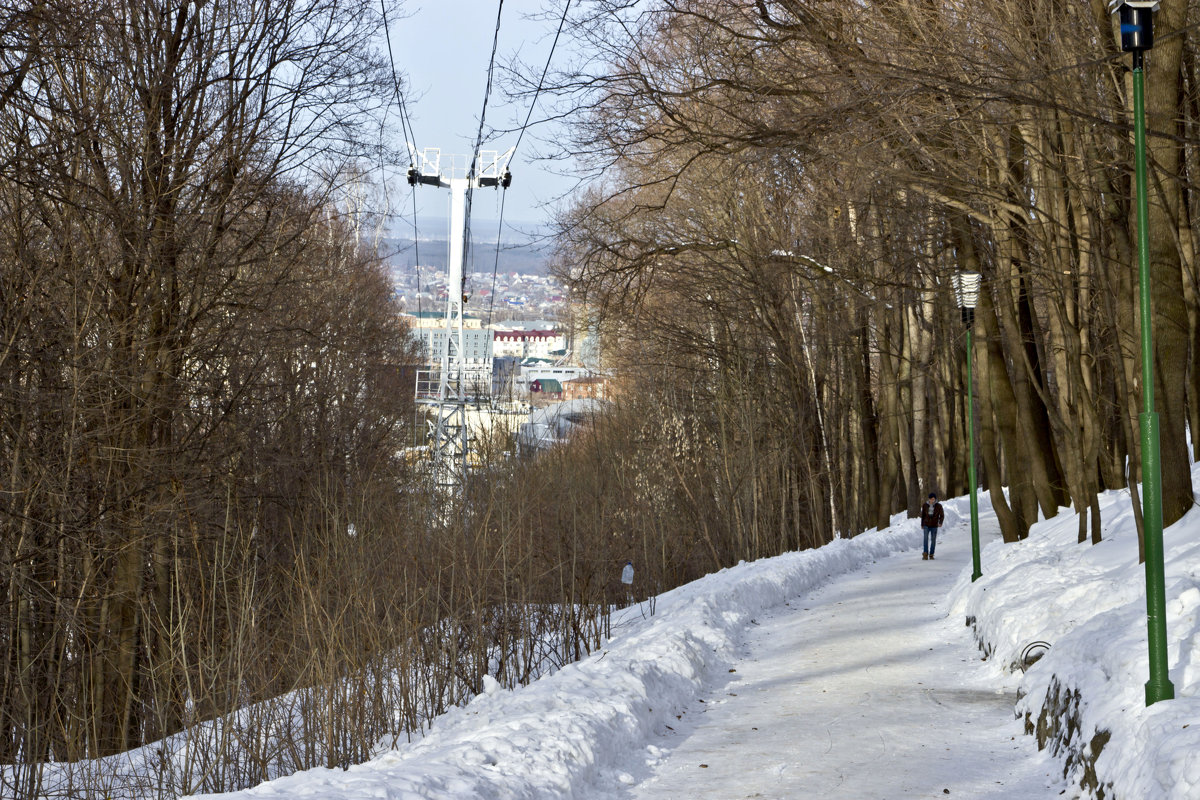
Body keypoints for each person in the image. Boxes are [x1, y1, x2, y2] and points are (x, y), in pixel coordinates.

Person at [920, 492, 944, 560]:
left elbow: (942, 515)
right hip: (926, 524)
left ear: (935, 499)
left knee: (933, 540)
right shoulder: (925, 505)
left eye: (934, 499)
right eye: (931, 499)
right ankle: (925, 553)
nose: (932, 500)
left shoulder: (939, 506)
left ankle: (931, 554)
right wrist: (922, 524)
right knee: (925, 539)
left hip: (934, 525)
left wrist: (940, 522)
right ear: (929, 499)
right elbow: (923, 516)